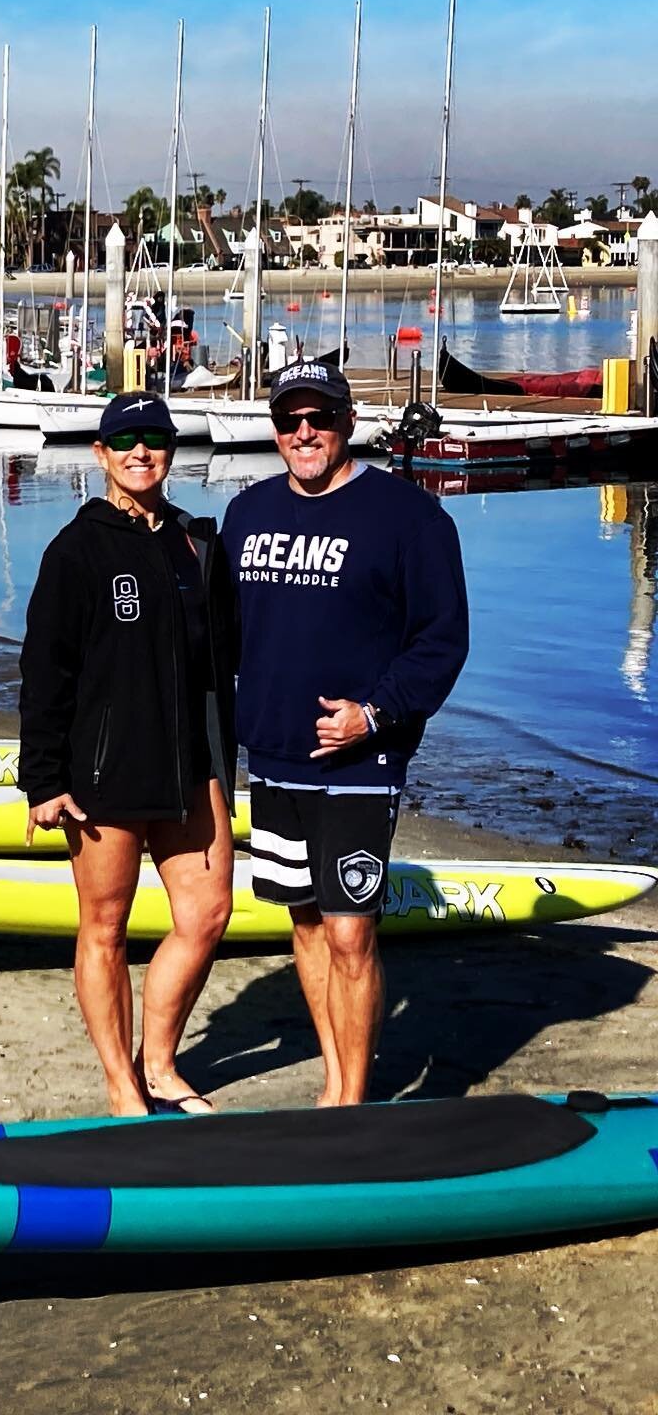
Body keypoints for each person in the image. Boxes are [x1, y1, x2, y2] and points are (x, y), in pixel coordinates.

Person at [220, 361, 468, 1106]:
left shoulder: (409, 518)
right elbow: (219, 632)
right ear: (274, 430)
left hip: (361, 760)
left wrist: (375, 712)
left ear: (347, 423)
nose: (305, 434)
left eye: (319, 419)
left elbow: (442, 641)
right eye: (291, 421)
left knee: (351, 931)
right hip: (271, 757)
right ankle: (334, 1079)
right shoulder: (247, 513)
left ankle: (352, 1101)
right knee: (303, 922)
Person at [19, 393, 238, 1117]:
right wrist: (43, 782)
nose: (141, 453)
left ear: (171, 451)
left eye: (154, 440)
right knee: (104, 927)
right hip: (104, 773)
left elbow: (229, 656)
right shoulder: (75, 552)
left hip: (189, 763)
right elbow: (44, 674)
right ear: (102, 454)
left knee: (205, 916)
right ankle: (122, 1086)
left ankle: (161, 1063)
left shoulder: (195, 544)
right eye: (126, 441)